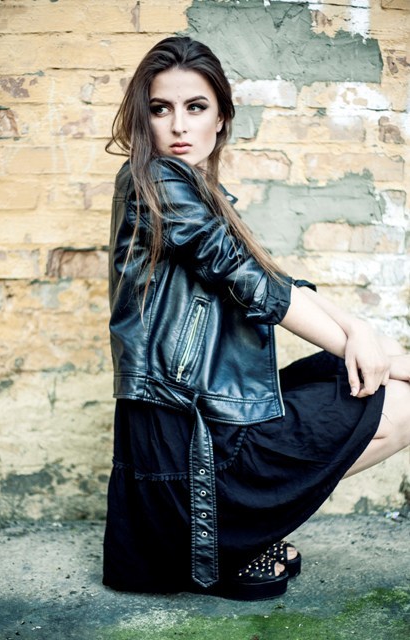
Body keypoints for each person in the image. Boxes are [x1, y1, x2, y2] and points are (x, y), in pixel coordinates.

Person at [102, 36, 410, 600]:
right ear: (144, 119)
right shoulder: (154, 180)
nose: (178, 125)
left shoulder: (196, 190)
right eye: (160, 108)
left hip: (203, 419)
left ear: (221, 118)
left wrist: (363, 333)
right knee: (398, 400)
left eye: (196, 107)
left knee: (360, 369)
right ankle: (234, 539)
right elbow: (256, 286)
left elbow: (274, 280)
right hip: (186, 443)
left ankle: (244, 531)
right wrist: (378, 358)